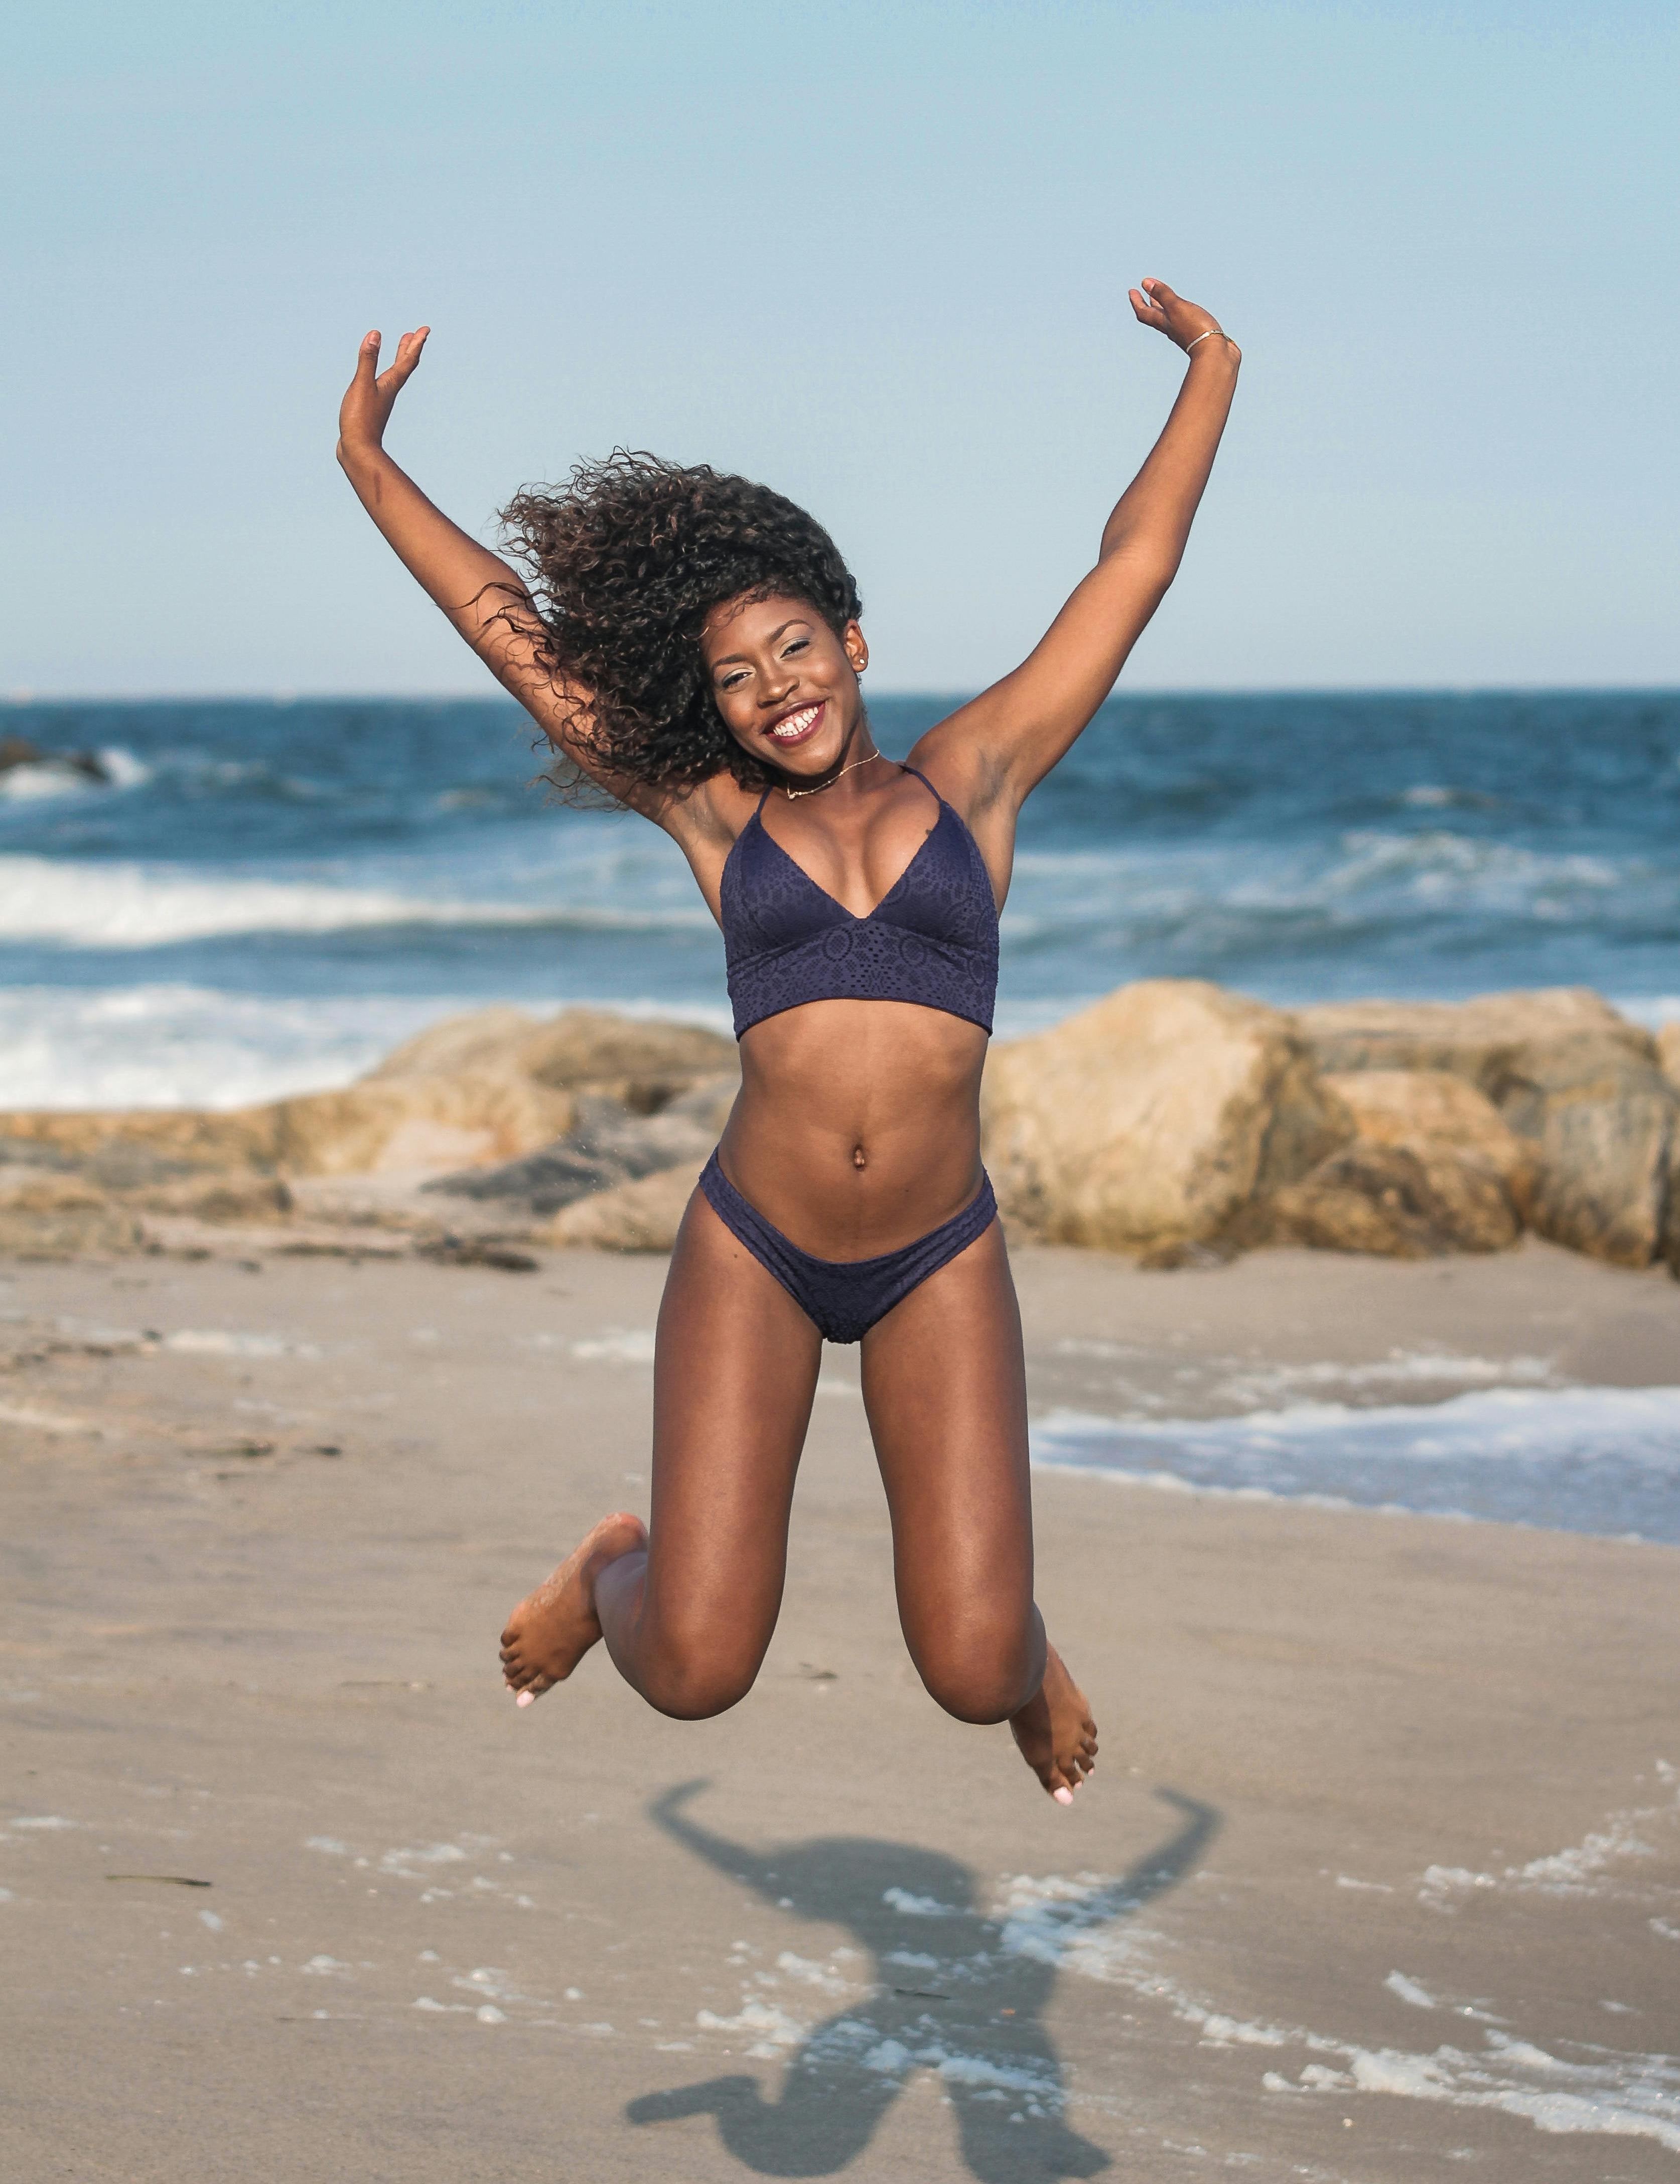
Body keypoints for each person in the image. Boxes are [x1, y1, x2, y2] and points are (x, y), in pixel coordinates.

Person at [336, 281, 1239, 1802]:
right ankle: (610, 1563)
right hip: (755, 1244)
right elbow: (521, 644)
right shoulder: (714, 813)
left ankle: (1029, 1657)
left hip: (935, 1251)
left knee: (973, 1668)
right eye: (739, 678)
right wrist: (368, 463)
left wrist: (1210, 366)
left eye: (794, 647)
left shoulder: (976, 777)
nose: (775, 690)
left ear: (854, 638)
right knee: (692, 1674)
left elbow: (1130, 567)